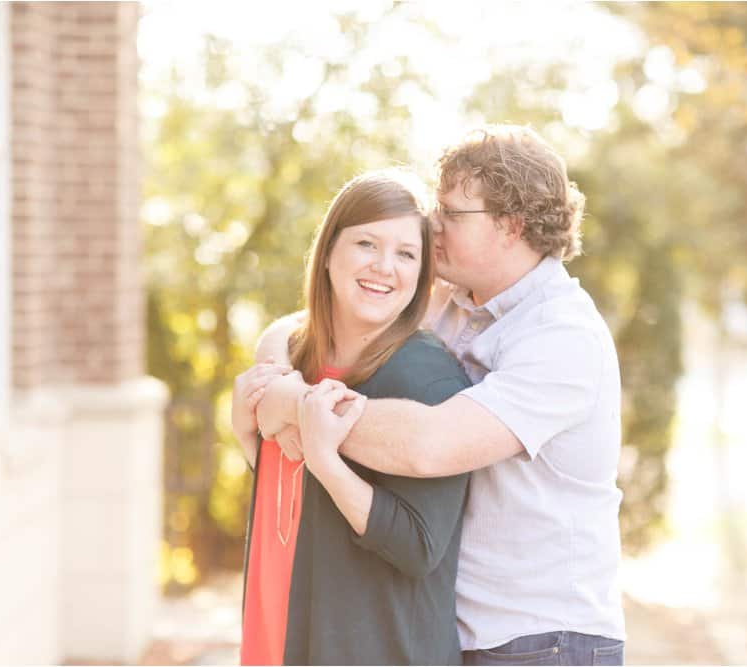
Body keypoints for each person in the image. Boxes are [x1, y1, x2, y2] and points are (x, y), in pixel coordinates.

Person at [251, 125, 627, 666]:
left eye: (451, 213)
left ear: (510, 225)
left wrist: (292, 405)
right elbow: (311, 325)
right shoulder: (454, 301)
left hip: (544, 643)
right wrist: (276, 369)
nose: (433, 225)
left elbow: (427, 446)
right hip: (460, 634)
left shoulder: (562, 336)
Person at [231, 170, 472, 665]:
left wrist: (327, 459)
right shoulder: (295, 361)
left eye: (406, 254)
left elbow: (419, 547)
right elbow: (302, 506)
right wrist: (248, 438)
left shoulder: (427, 377)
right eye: (367, 243)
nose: (384, 267)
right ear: (327, 253)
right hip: (277, 638)